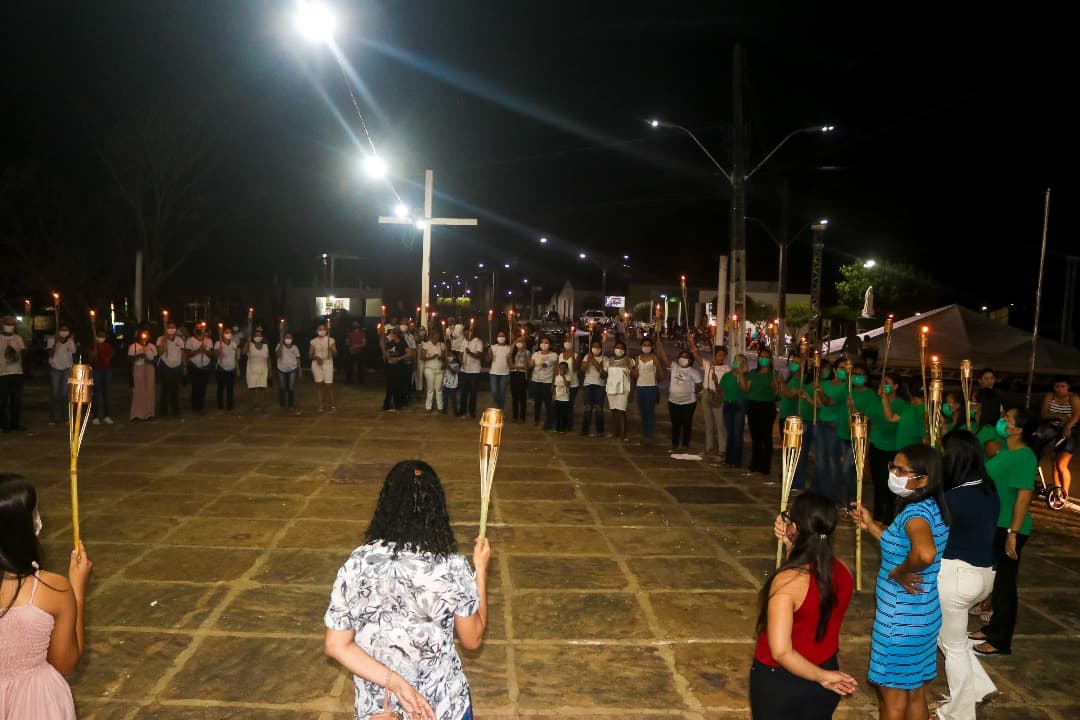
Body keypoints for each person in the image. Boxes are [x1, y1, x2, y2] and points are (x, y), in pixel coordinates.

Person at [323, 460, 490, 720]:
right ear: (437, 509)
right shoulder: (452, 568)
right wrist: (480, 570)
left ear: (386, 504)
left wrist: (395, 682)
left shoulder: (357, 563)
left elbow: (336, 645)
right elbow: (473, 639)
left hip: (380, 707)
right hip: (441, 706)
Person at [851, 444, 951, 720]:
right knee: (915, 692)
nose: (893, 474)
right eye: (892, 467)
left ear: (924, 478)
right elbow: (905, 547)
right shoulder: (932, 507)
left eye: (901, 470)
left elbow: (925, 553)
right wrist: (871, 526)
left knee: (892, 702)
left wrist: (899, 572)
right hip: (924, 615)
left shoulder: (915, 514)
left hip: (900, 621)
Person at [752, 492, 857, 718]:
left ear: (796, 527)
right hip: (825, 670)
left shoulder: (788, 581)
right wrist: (792, 544)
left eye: (788, 518)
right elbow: (812, 594)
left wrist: (821, 676)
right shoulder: (844, 570)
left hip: (782, 682)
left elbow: (781, 651)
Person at [0, 474, 93, 719]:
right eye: (35, 513)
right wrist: (77, 590)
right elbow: (65, 662)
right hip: (37, 705)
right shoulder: (51, 590)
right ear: (22, 527)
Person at [936, 429, 1000, 720]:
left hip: (957, 575)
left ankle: (957, 713)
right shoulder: (986, 488)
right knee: (951, 639)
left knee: (953, 646)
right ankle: (980, 686)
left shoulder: (954, 497)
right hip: (984, 573)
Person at [971, 408, 1040, 656]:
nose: (1002, 421)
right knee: (997, 582)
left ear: (1017, 429)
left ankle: (1001, 639)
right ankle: (992, 629)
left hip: (1010, 526)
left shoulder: (1025, 456)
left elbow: (1023, 497)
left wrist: (1013, 532)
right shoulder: (1006, 451)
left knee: (1005, 584)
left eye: (1007, 419)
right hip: (995, 523)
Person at [856, 372, 909, 525]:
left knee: (891, 486)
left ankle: (890, 517)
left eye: (886, 383)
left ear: (896, 387)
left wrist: (885, 399)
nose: (882, 386)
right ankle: (878, 515)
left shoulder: (901, 404)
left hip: (893, 449)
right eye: (881, 383)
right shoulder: (874, 401)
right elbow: (867, 421)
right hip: (876, 446)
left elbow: (890, 418)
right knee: (878, 483)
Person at [657, 337, 703, 453]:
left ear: (691, 360)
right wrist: (660, 346)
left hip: (688, 403)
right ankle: (674, 443)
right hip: (673, 401)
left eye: (686, 357)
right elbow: (665, 358)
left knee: (687, 424)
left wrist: (692, 392)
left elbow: (699, 385)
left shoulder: (694, 372)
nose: (683, 359)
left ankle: (685, 444)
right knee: (675, 424)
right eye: (682, 356)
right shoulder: (674, 367)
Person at [739, 348, 781, 474]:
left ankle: (765, 466)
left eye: (766, 357)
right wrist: (740, 375)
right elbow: (746, 389)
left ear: (770, 360)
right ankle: (754, 463)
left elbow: (777, 392)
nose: (763, 359)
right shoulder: (753, 373)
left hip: (767, 407)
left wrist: (776, 384)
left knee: (766, 437)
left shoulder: (774, 374)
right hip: (753, 407)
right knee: (755, 437)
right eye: (761, 357)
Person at [811, 359, 844, 507]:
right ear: (835, 370)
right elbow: (818, 403)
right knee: (820, 460)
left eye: (846, 368)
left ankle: (834, 495)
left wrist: (821, 393)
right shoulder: (825, 383)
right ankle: (822, 493)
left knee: (832, 460)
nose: (844, 371)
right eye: (841, 368)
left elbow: (828, 402)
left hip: (835, 424)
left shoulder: (846, 387)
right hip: (821, 422)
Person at [780, 356, 815, 489]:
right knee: (789, 451)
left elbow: (789, 394)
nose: (793, 365)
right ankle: (790, 477)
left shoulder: (801, 380)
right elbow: (782, 394)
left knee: (798, 452)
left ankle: (797, 480)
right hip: (785, 414)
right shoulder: (791, 378)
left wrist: (782, 383)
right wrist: (779, 384)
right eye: (793, 362)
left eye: (797, 363)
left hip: (794, 416)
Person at [1041, 376, 1078, 498]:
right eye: (1057, 386)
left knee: (1062, 465)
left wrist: (1068, 426)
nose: (1060, 389)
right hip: (1052, 432)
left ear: (1068, 387)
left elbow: (1077, 414)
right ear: (1053, 387)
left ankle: (1064, 494)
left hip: (1068, 433)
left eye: (1063, 386)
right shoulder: (1050, 396)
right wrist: (1059, 416)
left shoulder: (1073, 397)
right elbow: (1044, 413)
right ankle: (1057, 493)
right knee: (1054, 464)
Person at [700, 345, 730, 463]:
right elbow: (696, 356)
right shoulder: (708, 365)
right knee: (708, 423)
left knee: (720, 424)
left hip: (719, 396)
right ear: (714, 355)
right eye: (719, 355)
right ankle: (709, 447)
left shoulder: (727, 369)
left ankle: (722, 449)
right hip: (707, 394)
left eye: (723, 355)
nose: (721, 358)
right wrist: (691, 343)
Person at [633, 336, 664, 445]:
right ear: (641, 346)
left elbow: (661, 375)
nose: (646, 347)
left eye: (648, 345)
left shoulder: (654, 358)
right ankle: (645, 434)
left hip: (651, 388)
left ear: (651, 347)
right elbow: (635, 375)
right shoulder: (637, 358)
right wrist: (631, 370)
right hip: (640, 387)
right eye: (644, 345)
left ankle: (649, 436)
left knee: (649, 412)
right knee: (643, 413)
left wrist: (656, 380)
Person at [0, 315, 27, 433]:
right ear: (2, 325)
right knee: (2, 400)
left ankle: (14, 423)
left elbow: (23, 353)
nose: (9, 326)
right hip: (2, 374)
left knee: (16, 400)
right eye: (7, 323)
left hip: (17, 372)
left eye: (12, 324)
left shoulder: (18, 338)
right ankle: (3, 424)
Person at [47, 324, 78, 425]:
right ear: (58, 330)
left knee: (65, 394)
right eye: (62, 330)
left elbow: (74, 351)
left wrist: (69, 341)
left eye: (66, 330)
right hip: (55, 368)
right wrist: (55, 343)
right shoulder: (52, 339)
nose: (64, 332)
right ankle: (53, 418)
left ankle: (65, 417)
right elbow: (50, 354)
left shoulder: (70, 341)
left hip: (67, 368)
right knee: (55, 394)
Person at [721, 354, 748, 468]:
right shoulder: (727, 375)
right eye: (735, 360)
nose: (736, 363)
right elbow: (721, 389)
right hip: (728, 404)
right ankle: (729, 459)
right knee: (730, 433)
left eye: (739, 361)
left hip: (738, 405)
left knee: (737, 434)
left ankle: (736, 461)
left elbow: (744, 389)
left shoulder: (745, 376)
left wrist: (740, 374)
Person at [605, 341, 634, 441]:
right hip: (611, 389)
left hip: (623, 389)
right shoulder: (609, 361)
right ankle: (615, 432)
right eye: (617, 347)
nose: (619, 350)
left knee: (621, 411)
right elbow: (604, 375)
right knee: (614, 411)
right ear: (614, 349)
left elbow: (633, 376)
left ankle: (623, 434)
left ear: (624, 350)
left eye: (621, 348)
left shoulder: (629, 360)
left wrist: (632, 392)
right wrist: (600, 367)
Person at [579, 339, 607, 436]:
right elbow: (582, 369)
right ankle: (585, 429)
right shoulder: (587, 356)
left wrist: (594, 362)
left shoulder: (605, 359)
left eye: (598, 347)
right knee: (588, 408)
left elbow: (604, 375)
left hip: (600, 385)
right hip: (588, 384)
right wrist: (588, 361)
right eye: (594, 347)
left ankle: (600, 430)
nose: (596, 349)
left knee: (599, 408)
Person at [156, 322, 185, 419]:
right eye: (169, 327)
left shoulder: (179, 340)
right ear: (166, 328)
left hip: (176, 366)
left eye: (173, 327)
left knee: (175, 389)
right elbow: (159, 351)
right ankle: (163, 410)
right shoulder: (160, 339)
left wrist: (184, 366)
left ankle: (175, 410)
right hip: (165, 365)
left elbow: (182, 353)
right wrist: (165, 338)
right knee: (165, 389)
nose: (171, 329)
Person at [528, 336, 557, 430]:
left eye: (546, 342)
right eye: (542, 342)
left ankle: (549, 421)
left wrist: (554, 382)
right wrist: (527, 360)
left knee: (548, 402)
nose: (544, 344)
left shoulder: (554, 355)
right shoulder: (536, 354)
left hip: (547, 381)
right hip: (536, 380)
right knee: (537, 402)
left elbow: (556, 369)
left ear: (549, 344)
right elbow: (531, 364)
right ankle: (536, 419)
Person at [128, 329, 157, 421]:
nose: (145, 336)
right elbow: (130, 359)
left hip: (149, 369)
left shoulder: (152, 346)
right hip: (138, 369)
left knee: (150, 390)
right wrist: (139, 356)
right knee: (138, 391)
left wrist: (149, 360)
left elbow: (155, 360)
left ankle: (149, 413)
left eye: (147, 334)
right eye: (143, 334)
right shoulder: (134, 346)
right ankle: (137, 414)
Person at [381, 327, 412, 412]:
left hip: (398, 368)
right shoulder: (390, 343)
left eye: (392, 333)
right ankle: (386, 404)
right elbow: (387, 354)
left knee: (397, 386)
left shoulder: (402, 343)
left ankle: (398, 403)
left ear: (396, 334)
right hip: (390, 367)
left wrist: (398, 359)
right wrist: (388, 357)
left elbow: (409, 353)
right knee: (389, 386)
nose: (391, 335)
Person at [185, 323, 213, 414]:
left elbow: (211, 354)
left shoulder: (208, 340)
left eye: (201, 328)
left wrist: (205, 350)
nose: (199, 329)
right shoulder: (190, 340)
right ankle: (195, 407)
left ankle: (201, 406)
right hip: (194, 366)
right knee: (195, 387)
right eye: (197, 327)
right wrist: (198, 350)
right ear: (194, 329)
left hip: (205, 366)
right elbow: (188, 354)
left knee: (203, 387)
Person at [310, 323, 337, 412]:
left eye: (323, 329)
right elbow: (310, 355)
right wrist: (316, 358)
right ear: (317, 331)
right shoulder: (313, 341)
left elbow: (335, 353)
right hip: (316, 364)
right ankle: (320, 405)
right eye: (320, 329)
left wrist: (332, 350)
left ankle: (332, 404)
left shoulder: (331, 340)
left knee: (329, 385)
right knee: (319, 384)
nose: (322, 331)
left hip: (328, 363)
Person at [244, 327, 271, 412]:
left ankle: (261, 406)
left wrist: (270, 371)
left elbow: (268, 359)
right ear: (253, 337)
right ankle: (251, 405)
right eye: (256, 335)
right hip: (251, 369)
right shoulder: (250, 345)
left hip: (263, 369)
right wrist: (247, 342)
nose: (257, 337)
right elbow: (243, 352)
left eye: (259, 335)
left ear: (262, 337)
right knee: (251, 389)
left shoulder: (265, 346)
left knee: (262, 388)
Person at [419, 328, 446, 414]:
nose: (436, 337)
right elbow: (422, 357)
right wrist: (432, 357)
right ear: (431, 336)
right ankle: (428, 406)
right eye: (434, 335)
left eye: (437, 336)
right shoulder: (426, 344)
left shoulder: (441, 344)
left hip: (439, 368)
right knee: (430, 389)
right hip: (429, 369)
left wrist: (441, 357)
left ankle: (440, 406)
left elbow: (445, 357)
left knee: (439, 389)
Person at [90, 329, 114, 425]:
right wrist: (94, 353)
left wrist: (107, 358)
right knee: (96, 394)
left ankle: (107, 416)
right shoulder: (93, 346)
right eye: (99, 336)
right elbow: (91, 357)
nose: (101, 338)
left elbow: (111, 355)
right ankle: (95, 416)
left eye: (103, 336)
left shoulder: (108, 346)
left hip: (106, 370)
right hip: (96, 370)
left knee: (106, 394)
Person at [557, 336, 580, 431]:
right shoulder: (560, 355)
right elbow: (556, 369)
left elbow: (575, 368)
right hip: (561, 384)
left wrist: (572, 355)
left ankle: (568, 425)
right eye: (566, 341)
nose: (567, 343)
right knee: (561, 405)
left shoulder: (576, 354)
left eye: (569, 341)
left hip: (573, 384)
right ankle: (561, 424)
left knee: (569, 405)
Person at [214, 326, 239, 412]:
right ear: (223, 334)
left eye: (229, 333)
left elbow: (236, 356)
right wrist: (219, 351)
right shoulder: (218, 343)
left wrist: (237, 368)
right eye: (226, 332)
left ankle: (230, 406)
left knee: (230, 388)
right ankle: (220, 405)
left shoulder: (234, 344)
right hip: (221, 369)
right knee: (221, 388)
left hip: (232, 369)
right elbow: (215, 354)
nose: (228, 334)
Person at [276, 332, 302, 410]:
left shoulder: (295, 347)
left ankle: (290, 404)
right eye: (286, 337)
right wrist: (280, 344)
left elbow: (298, 358)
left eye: (289, 337)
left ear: (292, 339)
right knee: (282, 387)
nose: (288, 339)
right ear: (283, 338)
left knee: (291, 387)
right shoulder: (279, 346)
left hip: (292, 369)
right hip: (281, 369)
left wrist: (299, 369)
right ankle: (282, 404)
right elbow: (277, 355)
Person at [487, 331, 511, 410]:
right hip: (493, 372)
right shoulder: (492, 347)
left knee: (502, 393)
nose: (501, 337)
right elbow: (487, 360)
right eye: (499, 336)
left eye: (502, 336)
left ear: (505, 338)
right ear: (497, 338)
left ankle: (500, 409)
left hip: (504, 373)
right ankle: (498, 405)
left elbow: (509, 361)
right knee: (494, 392)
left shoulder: (508, 348)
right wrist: (489, 354)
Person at [508, 336, 530, 422]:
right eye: (518, 342)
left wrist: (517, 367)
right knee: (515, 397)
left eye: (521, 342)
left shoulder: (527, 352)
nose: (519, 343)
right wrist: (514, 342)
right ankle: (515, 416)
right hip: (514, 375)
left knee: (522, 397)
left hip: (522, 376)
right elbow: (510, 365)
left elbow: (526, 367)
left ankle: (522, 417)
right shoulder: (513, 353)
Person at [553, 361, 573, 432]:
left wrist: (563, 376)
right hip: (558, 398)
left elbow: (567, 385)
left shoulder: (568, 376)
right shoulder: (557, 377)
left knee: (564, 414)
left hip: (565, 399)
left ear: (566, 369)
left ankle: (564, 428)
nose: (562, 369)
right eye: (560, 368)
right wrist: (554, 394)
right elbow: (555, 386)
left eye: (564, 368)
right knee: (557, 414)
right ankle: (557, 427)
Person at [345, 321, 367, 385]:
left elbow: (364, 343)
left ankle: (361, 381)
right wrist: (350, 345)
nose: (355, 325)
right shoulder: (349, 333)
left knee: (360, 368)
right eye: (354, 324)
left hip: (359, 352)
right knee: (349, 367)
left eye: (356, 324)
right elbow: (347, 342)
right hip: (351, 352)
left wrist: (357, 346)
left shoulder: (362, 333)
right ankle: (348, 381)